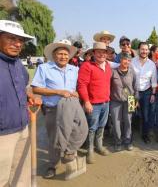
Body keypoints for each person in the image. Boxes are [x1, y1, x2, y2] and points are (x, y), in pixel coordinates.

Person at [0, 20, 41, 187]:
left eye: (21, 41)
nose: (17, 44)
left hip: (23, 129)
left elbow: (25, 88)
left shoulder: (18, 64)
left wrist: (30, 96)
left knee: (21, 176)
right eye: (11, 38)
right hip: (2, 136)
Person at [31, 39, 79, 178]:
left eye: (66, 54)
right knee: (54, 138)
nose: (63, 57)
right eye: (60, 54)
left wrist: (75, 93)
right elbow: (36, 88)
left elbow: (74, 88)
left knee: (70, 135)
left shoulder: (74, 69)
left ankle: (69, 159)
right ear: (53, 55)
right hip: (53, 109)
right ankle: (53, 165)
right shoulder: (44, 68)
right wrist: (58, 92)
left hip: (70, 109)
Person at [78, 42, 112, 164]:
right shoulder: (87, 66)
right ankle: (90, 150)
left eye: (103, 52)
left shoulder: (108, 66)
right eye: (98, 52)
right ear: (93, 53)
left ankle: (99, 145)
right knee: (92, 128)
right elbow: (82, 85)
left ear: (106, 54)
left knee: (102, 125)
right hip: (93, 103)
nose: (101, 54)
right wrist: (86, 101)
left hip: (106, 102)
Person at [110, 52, 139, 151]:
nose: (127, 62)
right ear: (120, 60)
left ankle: (128, 141)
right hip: (115, 100)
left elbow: (135, 86)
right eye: (125, 59)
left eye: (129, 60)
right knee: (116, 122)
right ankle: (118, 142)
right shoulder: (113, 72)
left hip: (130, 99)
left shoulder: (132, 72)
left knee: (128, 121)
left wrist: (136, 99)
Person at [131, 42, 157, 143]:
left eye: (146, 49)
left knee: (145, 115)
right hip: (133, 92)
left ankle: (145, 135)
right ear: (138, 50)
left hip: (146, 93)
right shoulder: (132, 62)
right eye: (142, 49)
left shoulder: (152, 65)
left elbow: (154, 81)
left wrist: (153, 94)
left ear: (148, 51)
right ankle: (129, 135)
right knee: (131, 114)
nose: (144, 51)